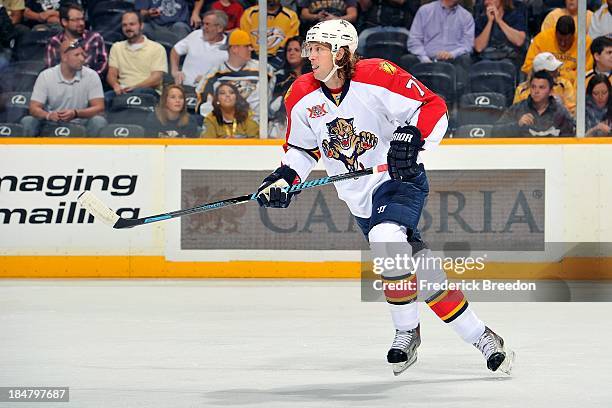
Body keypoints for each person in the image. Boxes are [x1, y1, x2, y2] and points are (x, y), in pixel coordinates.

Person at [256, 19, 515, 376]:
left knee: (386, 238)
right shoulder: (300, 94)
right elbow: (302, 149)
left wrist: (412, 137)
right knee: (424, 274)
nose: (309, 55)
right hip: (357, 197)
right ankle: (482, 336)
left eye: (318, 49)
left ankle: (406, 331)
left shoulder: (377, 74)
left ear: (342, 52)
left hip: (398, 180)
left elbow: (432, 107)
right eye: (308, 47)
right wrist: (283, 177)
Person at [20, 39, 107, 137]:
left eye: (83, 55)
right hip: (51, 123)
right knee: (28, 121)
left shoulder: (92, 75)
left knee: (98, 121)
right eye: (77, 55)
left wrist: (76, 113)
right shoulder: (46, 76)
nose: (82, 59)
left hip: (81, 123)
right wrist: (49, 115)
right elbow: (34, 108)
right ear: (64, 57)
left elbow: (99, 108)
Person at [195, 28, 275, 124]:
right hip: (224, 130)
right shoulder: (214, 74)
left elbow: (271, 101)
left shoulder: (265, 70)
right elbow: (203, 105)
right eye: (247, 46)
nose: (251, 49)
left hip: (256, 128)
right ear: (234, 49)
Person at [406, 0, 474, 90]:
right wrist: (424, 58)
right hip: (426, 59)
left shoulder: (466, 16)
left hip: (454, 60)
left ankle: (456, 102)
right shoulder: (425, 11)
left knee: (465, 60)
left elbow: (467, 45)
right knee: (407, 60)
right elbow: (414, 40)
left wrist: (452, 54)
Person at [105, 11, 168, 107]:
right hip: (122, 90)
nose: (128, 28)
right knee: (104, 99)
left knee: (140, 94)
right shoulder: (117, 47)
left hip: (147, 91)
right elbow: (111, 74)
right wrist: (115, 86)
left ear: (141, 26)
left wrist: (134, 88)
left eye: (132, 24)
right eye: (124, 25)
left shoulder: (157, 48)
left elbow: (156, 79)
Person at [496, 70, 575, 136]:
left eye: (541, 87)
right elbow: (495, 131)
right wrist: (518, 125)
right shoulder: (518, 108)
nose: (536, 91)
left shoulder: (560, 112)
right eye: (533, 87)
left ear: (551, 91)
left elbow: (570, 139)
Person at [522, 16, 593, 87]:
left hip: (575, 90)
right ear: (555, 33)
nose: (563, 44)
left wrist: (558, 73)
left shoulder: (585, 43)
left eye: (567, 40)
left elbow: (586, 75)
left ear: (573, 35)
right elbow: (528, 67)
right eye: (559, 39)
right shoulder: (541, 39)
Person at [170, 10, 228, 89]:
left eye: (207, 24)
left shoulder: (229, 47)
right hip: (184, 89)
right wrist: (175, 71)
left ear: (220, 28)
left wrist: (208, 81)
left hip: (209, 92)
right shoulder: (196, 35)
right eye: (203, 24)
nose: (204, 28)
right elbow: (175, 50)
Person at [45, 3, 107, 76]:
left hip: (91, 83)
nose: (81, 23)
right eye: (76, 20)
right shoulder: (54, 42)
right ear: (64, 22)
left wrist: (90, 79)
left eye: (82, 19)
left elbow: (103, 64)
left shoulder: (95, 38)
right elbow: (51, 70)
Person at [269, 35, 310, 138]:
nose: (292, 53)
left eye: (296, 50)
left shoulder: (314, 76)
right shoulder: (278, 76)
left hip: (310, 124)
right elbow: (270, 106)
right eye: (289, 50)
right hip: (282, 125)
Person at [239, 0, 299, 68]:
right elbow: (245, 40)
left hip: (279, 58)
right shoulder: (249, 13)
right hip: (253, 57)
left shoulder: (291, 16)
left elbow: (290, 42)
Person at [473, 0, 527, 65]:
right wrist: (490, 22)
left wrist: (499, 21)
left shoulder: (515, 15)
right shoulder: (481, 19)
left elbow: (519, 41)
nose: (487, 2)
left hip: (511, 59)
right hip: (487, 60)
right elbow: (479, 48)